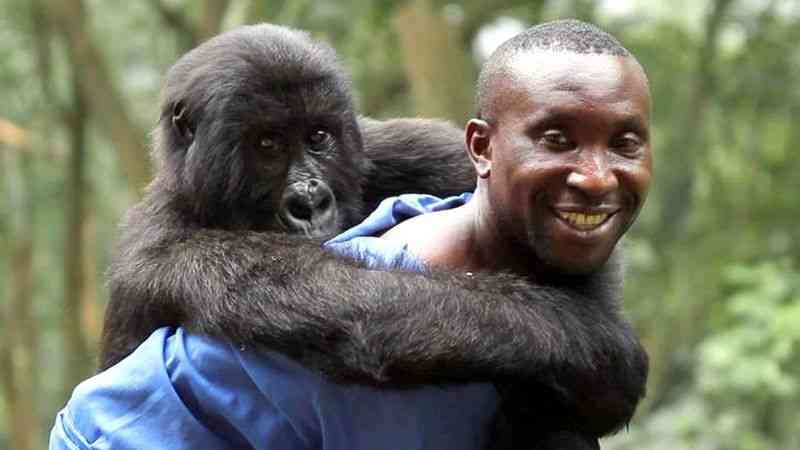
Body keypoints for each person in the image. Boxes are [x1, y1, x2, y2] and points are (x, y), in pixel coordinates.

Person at [50, 19, 652, 450]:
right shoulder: (170, 251)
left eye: (317, 144)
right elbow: (360, 324)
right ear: (188, 136)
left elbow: (558, 225)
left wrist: (569, 383)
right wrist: (585, 340)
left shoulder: (400, 157)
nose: (307, 191)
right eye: (266, 149)